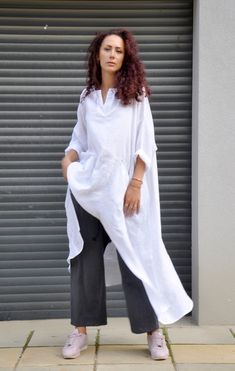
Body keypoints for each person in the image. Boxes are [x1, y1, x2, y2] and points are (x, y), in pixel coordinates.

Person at [61, 28, 193, 361]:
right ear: (97, 54)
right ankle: (79, 331)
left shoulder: (135, 95)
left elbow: (145, 144)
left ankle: (153, 332)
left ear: (125, 57)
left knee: (137, 255)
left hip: (124, 192)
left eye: (118, 50)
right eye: (107, 48)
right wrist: (68, 159)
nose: (112, 55)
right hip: (88, 190)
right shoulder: (87, 97)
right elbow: (80, 138)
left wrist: (136, 184)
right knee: (85, 258)